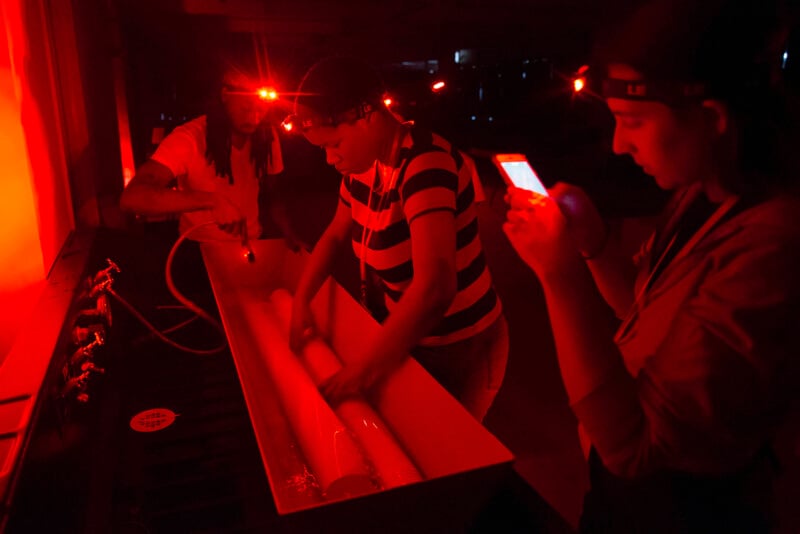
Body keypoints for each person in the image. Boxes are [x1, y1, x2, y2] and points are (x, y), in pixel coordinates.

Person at [504, 0, 800, 531]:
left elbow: (633, 449)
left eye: (632, 122)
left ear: (711, 118)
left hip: (687, 508)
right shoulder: (703, 195)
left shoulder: (772, 248)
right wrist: (593, 246)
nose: (619, 145)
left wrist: (560, 276)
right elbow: (637, 308)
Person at [287, 56, 508, 422]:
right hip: (415, 339)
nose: (330, 159)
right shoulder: (362, 167)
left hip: (461, 346)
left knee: (447, 451)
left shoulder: (425, 164)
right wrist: (300, 301)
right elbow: (333, 235)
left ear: (368, 115)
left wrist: (362, 371)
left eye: (335, 143)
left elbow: (436, 286)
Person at [120, 57, 296, 247]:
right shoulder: (189, 137)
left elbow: (274, 191)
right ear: (225, 95)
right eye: (246, 108)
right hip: (198, 245)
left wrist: (288, 232)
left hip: (251, 241)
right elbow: (133, 198)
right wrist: (212, 201)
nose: (254, 118)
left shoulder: (266, 136)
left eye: (261, 110)